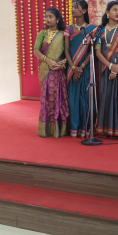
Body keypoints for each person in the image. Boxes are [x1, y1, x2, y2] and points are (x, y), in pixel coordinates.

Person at [95, 1, 118, 138]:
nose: (117, 13)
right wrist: (110, 66)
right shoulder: (100, 31)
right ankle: (106, 129)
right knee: (106, 97)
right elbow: (98, 53)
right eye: (114, 10)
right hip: (105, 68)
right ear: (107, 12)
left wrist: (116, 69)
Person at [34, 7, 69, 138]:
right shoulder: (42, 33)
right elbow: (36, 51)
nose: (48, 19)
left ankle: (60, 128)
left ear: (57, 19)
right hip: (46, 69)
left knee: (59, 98)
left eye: (50, 17)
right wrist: (48, 61)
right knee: (47, 98)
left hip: (58, 70)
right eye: (46, 17)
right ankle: (47, 128)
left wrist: (62, 65)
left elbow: (68, 53)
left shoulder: (63, 34)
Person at [64, 0, 96, 138]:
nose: (72, 9)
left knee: (85, 100)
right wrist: (73, 67)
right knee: (72, 100)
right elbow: (66, 50)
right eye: (72, 7)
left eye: (75, 7)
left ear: (83, 11)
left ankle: (85, 129)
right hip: (71, 69)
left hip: (85, 69)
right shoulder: (69, 29)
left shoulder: (92, 29)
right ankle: (74, 128)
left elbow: (92, 51)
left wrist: (81, 67)